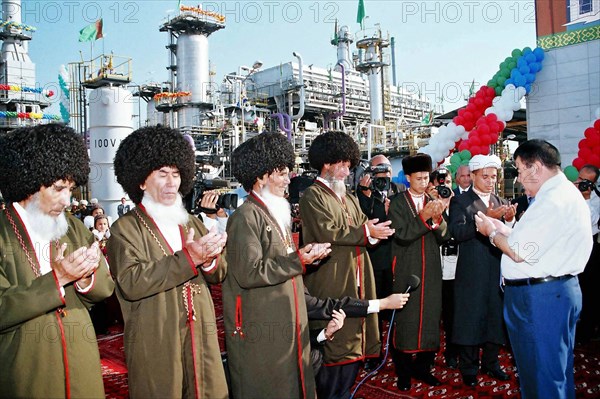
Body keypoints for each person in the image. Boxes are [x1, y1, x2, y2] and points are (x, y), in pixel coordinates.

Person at [106, 126, 229, 398]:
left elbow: (219, 273)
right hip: (157, 339)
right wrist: (190, 258)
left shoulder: (192, 221)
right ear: (140, 181)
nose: (172, 182)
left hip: (201, 338)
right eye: (162, 174)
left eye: (176, 174)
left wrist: (210, 260)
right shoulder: (125, 229)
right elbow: (131, 282)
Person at [0, 123, 114, 398]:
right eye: (59, 188)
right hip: (27, 370)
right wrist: (59, 279)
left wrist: (87, 277)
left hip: (81, 363)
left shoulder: (73, 228)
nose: (67, 200)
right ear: (29, 182)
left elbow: (105, 289)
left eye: (71, 188)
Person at [475, 139, 593, 399]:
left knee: (542, 378)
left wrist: (491, 233)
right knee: (554, 373)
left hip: (541, 298)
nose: (518, 178)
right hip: (554, 291)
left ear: (536, 167)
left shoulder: (552, 200)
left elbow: (519, 251)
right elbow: (532, 242)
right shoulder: (562, 193)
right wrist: (504, 230)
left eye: (518, 170)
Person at [223, 131, 332, 399]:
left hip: (286, 319)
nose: (288, 180)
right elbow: (249, 273)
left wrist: (305, 258)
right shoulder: (245, 217)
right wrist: (299, 260)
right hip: (262, 325)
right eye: (282, 173)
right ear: (261, 176)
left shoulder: (270, 212)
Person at [299, 131, 395, 399]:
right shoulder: (312, 196)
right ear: (327, 163)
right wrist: (366, 233)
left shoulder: (350, 197)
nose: (346, 171)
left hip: (358, 275)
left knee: (354, 348)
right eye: (341, 164)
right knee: (334, 349)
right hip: (332, 278)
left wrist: (376, 230)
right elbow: (329, 231)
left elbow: (363, 223)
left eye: (349, 165)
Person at [449, 154, 515, 387]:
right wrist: (486, 219)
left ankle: (491, 362)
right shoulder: (461, 201)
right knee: (470, 317)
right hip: (472, 270)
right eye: (484, 176)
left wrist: (509, 220)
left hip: (496, 268)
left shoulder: (498, 199)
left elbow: (507, 235)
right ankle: (468, 367)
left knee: (494, 317)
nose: (489, 181)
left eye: (493, 177)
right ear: (474, 176)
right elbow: (457, 233)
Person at [388, 153, 451, 391]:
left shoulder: (433, 199)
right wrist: (424, 217)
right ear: (407, 178)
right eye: (419, 179)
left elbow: (445, 235)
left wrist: (438, 216)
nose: (424, 183)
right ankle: (403, 372)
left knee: (431, 318)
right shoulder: (397, 203)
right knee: (406, 319)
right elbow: (402, 235)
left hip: (432, 269)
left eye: (427, 178)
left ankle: (423, 368)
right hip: (407, 267)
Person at [356, 154, 400, 369]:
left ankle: (398, 351)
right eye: (377, 171)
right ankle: (372, 354)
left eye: (386, 170)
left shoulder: (400, 192)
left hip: (397, 260)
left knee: (397, 310)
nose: (383, 175)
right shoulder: (361, 193)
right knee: (373, 310)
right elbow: (360, 223)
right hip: (373, 262)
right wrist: (364, 195)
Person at [429, 168, 459, 370]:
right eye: (440, 183)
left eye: (447, 182)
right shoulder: (428, 204)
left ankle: (451, 353)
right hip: (432, 265)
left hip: (454, 267)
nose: (444, 187)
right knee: (432, 313)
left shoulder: (459, 204)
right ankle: (428, 354)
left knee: (451, 314)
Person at [574, 164, 600, 343]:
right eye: (580, 178)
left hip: (590, 250)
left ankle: (587, 331)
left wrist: (586, 198)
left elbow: (591, 221)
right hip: (571, 246)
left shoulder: (596, 199)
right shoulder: (569, 191)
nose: (581, 183)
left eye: (586, 182)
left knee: (588, 290)